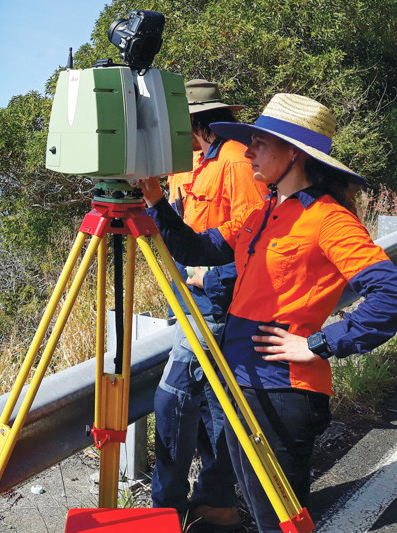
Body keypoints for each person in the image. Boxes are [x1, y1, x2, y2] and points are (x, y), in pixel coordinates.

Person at [140, 93, 397, 532]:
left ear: (293, 153)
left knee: (280, 520)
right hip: (243, 382)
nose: (250, 150)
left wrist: (319, 343)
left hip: (283, 391)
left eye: (260, 142)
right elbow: (197, 248)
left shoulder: (328, 218)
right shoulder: (263, 211)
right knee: (262, 511)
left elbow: (389, 294)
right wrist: (156, 201)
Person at [151, 79, 268, 530]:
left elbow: (256, 243)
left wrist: (215, 277)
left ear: (193, 122)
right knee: (207, 407)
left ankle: (170, 506)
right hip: (186, 294)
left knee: (175, 396)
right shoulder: (191, 163)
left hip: (219, 300)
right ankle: (214, 503)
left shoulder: (238, 164)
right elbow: (182, 228)